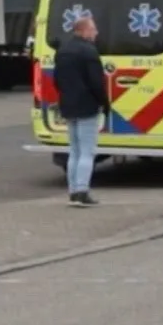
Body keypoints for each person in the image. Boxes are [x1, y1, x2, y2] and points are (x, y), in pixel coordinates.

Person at [53, 14, 108, 207]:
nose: (96, 32)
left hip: (68, 106)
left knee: (74, 151)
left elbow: (57, 80)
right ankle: (82, 192)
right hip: (87, 106)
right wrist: (104, 103)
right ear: (83, 30)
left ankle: (73, 191)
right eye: (93, 29)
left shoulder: (63, 51)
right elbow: (96, 83)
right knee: (87, 151)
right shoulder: (89, 52)